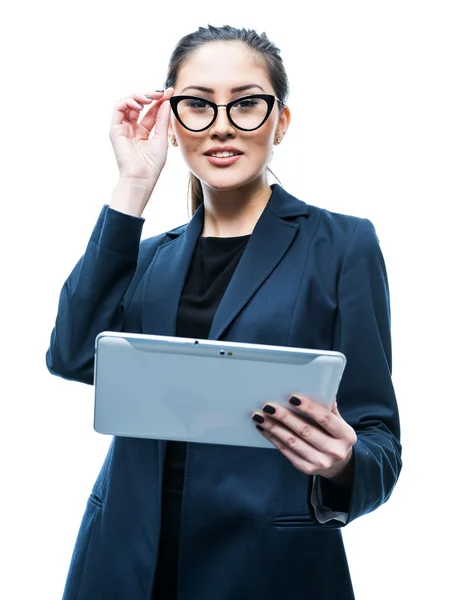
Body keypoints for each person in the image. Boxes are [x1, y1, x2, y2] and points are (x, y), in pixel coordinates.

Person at [46, 24, 402, 600]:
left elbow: (380, 441)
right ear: (171, 118)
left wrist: (343, 462)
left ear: (280, 121)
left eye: (246, 104)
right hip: (126, 563)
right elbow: (71, 355)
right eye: (198, 105)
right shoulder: (145, 257)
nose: (220, 125)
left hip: (267, 567)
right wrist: (133, 184)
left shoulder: (341, 244)